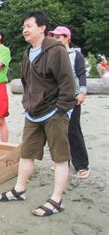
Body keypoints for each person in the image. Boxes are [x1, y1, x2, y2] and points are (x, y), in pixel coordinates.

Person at [0, 11, 76, 217]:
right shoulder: (26, 54)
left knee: (60, 157)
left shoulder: (56, 51)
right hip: (32, 113)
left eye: (29, 25)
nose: (25, 30)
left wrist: (60, 109)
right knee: (26, 153)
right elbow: (25, 82)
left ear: (42, 28)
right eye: (24, 26)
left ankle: (56, 200)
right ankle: (19, 190)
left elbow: (68, 84)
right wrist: (27, 103)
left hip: (54, 113)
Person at [49, 26, 90, 179]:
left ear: (67, 38)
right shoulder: (51, 55)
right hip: (55, 99)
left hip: (72, 98)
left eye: (58, 36)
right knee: (59, 132)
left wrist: (82, 92)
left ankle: (81, 165)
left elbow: (81, 74)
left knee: (73, 131)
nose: (55, 39)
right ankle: (62, 162)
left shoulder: (76, 55)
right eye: (53, 36)